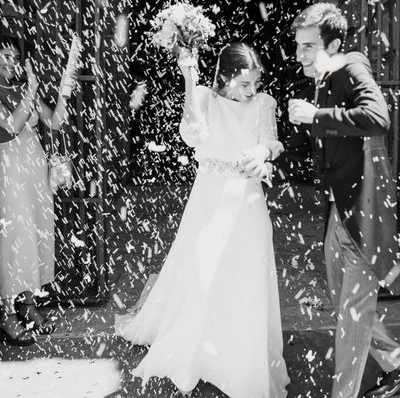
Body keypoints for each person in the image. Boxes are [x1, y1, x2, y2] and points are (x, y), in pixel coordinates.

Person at [118, 42, 289, 398]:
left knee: (246, 273)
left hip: (248, 199)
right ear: (225, 77)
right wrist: (188, 76)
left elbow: (272, 143)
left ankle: (240, 356)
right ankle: (200, 351)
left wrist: (262, 152)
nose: (251, 90)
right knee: (202, 270)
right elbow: (193, 134)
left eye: (256, 82)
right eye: (244, 84)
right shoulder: (204, 99)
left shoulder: (264, 104)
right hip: (209, 197)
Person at [286, 3, 400, 398]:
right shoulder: (325, 76)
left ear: (335, 43)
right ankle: (398, 363)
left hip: (362, 210)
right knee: (341, 298)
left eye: (309, 47)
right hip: (340, 210)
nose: (300, 56)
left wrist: (316, 116)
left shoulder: (350, 67)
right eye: (298, 46)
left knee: (352, 311)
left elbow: (378, 118)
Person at [0, 36, 75, 345]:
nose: (11, 61)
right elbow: (12, 125)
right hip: (11, 168)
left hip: (35, 167)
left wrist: (65, 91)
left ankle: (28, 305)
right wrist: (31, 87)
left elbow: (54, 122)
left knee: (37, 233)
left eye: (15, 56)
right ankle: (7, 315)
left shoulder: (21, 89)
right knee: (16, 237)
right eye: (5, 55)